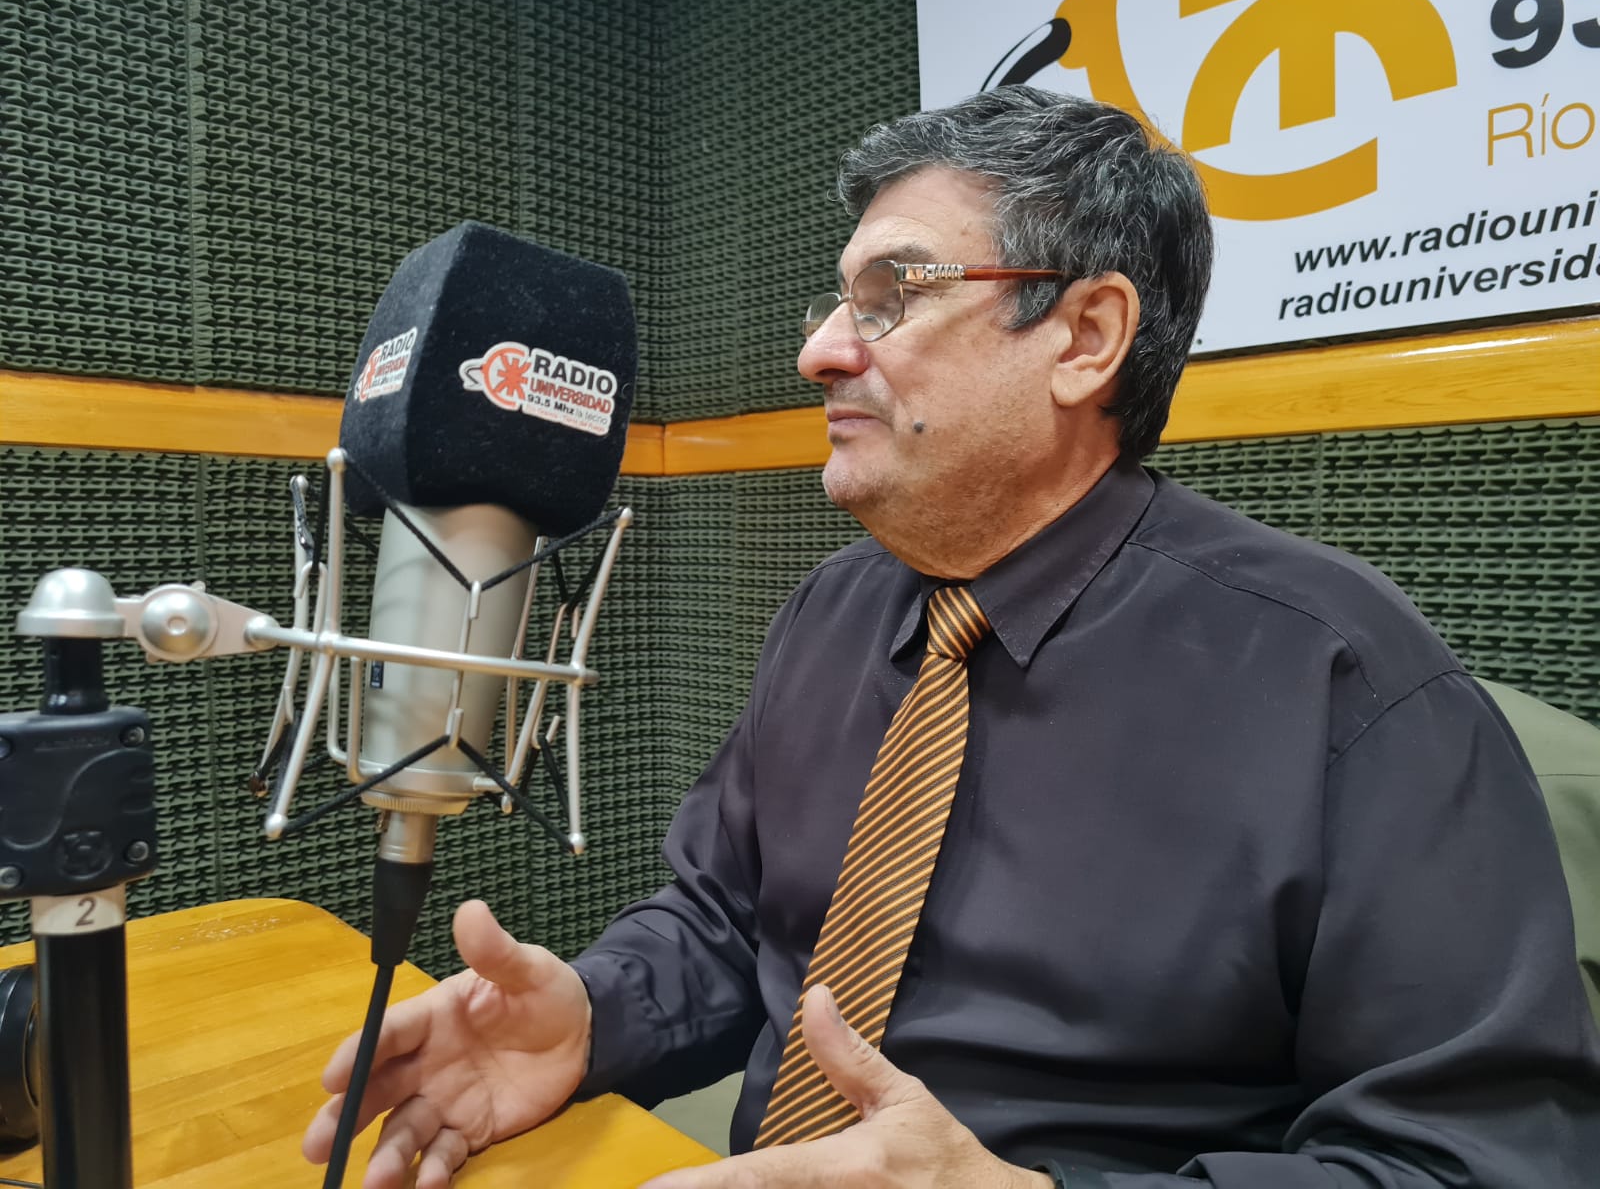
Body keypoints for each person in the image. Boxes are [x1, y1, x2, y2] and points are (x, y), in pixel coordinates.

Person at [303, 87, 1600, 1188]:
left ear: (1085, 338)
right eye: (835, 296)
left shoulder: (1348, 686)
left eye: (891, 294)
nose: (817, 349)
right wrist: (591, 1015)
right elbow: (724, 921)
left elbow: (1473, 1157)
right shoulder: (828, 614)